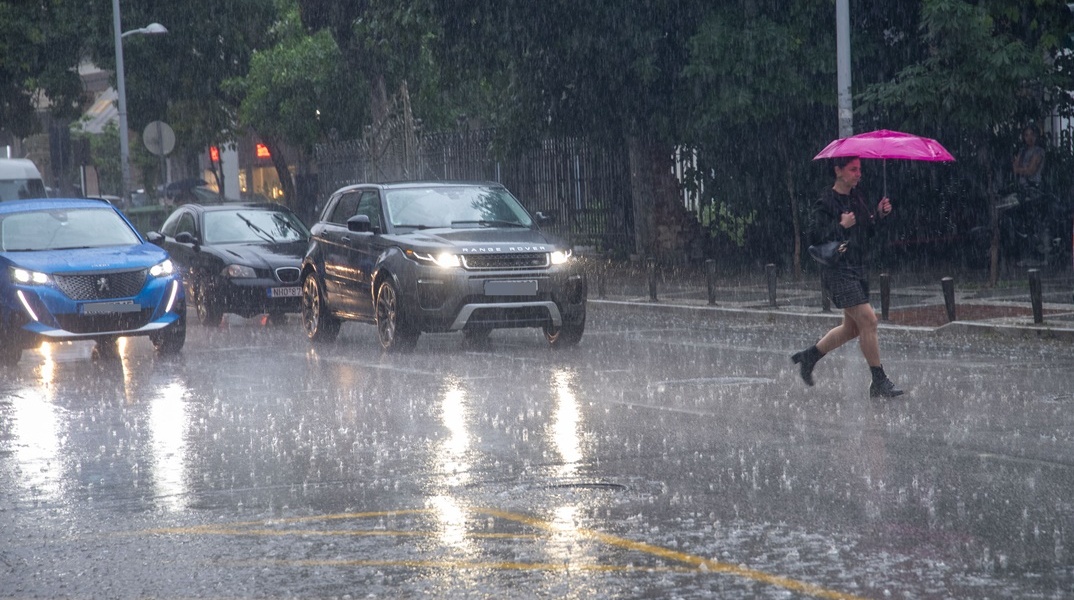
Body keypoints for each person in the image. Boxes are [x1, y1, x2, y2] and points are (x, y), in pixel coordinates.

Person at [792, 156, 904, 398]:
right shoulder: (826, 201)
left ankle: (810, 356)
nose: (858, 173)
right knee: (869, 321)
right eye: (853, 169)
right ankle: (879, 380)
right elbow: (814, 237)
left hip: (858, 268)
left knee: (852, 328)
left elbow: (867, 231)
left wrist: (879, 214)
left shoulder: (857, 198)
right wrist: (841, 226)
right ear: (838, 171)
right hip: (837, 271)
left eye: (859, 169)